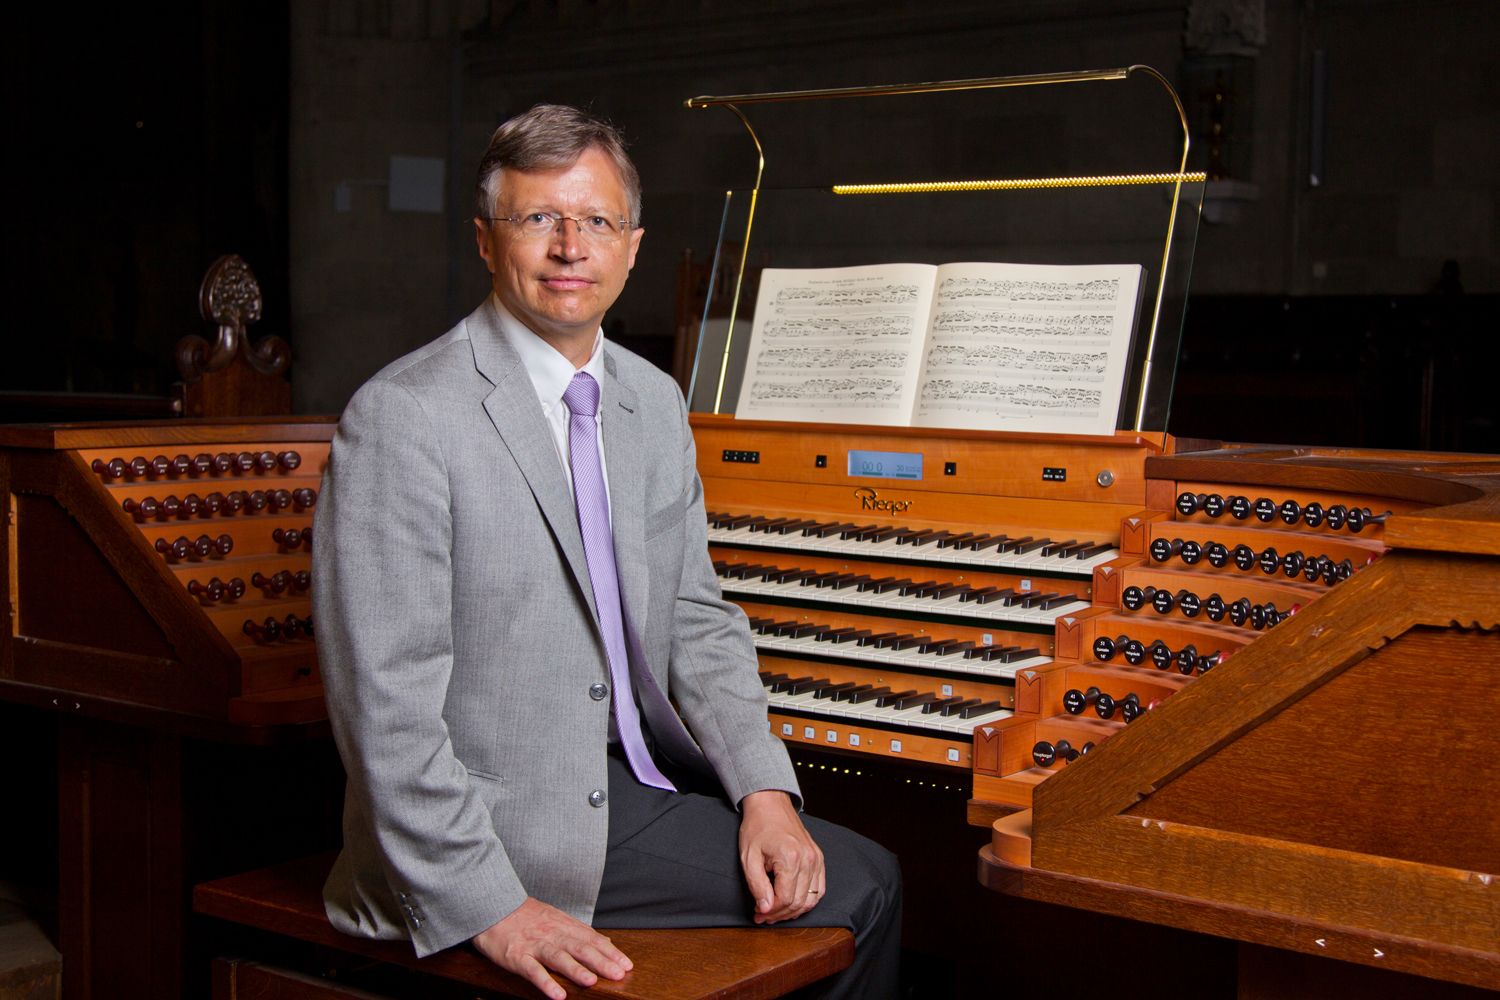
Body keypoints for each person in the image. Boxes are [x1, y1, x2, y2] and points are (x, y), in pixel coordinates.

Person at [312, 103, 901, 1000]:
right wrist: (492, 907)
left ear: (631, 246)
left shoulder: (652, 402)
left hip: (633, 780)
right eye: (537, 218)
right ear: (485, 241)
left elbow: (696, 619)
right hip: (497, 824)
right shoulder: (406, 416)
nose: (569, 247)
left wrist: (764, 794)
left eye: (595, 220)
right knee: (868, 888)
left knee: (830, 870)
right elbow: (381, 707)